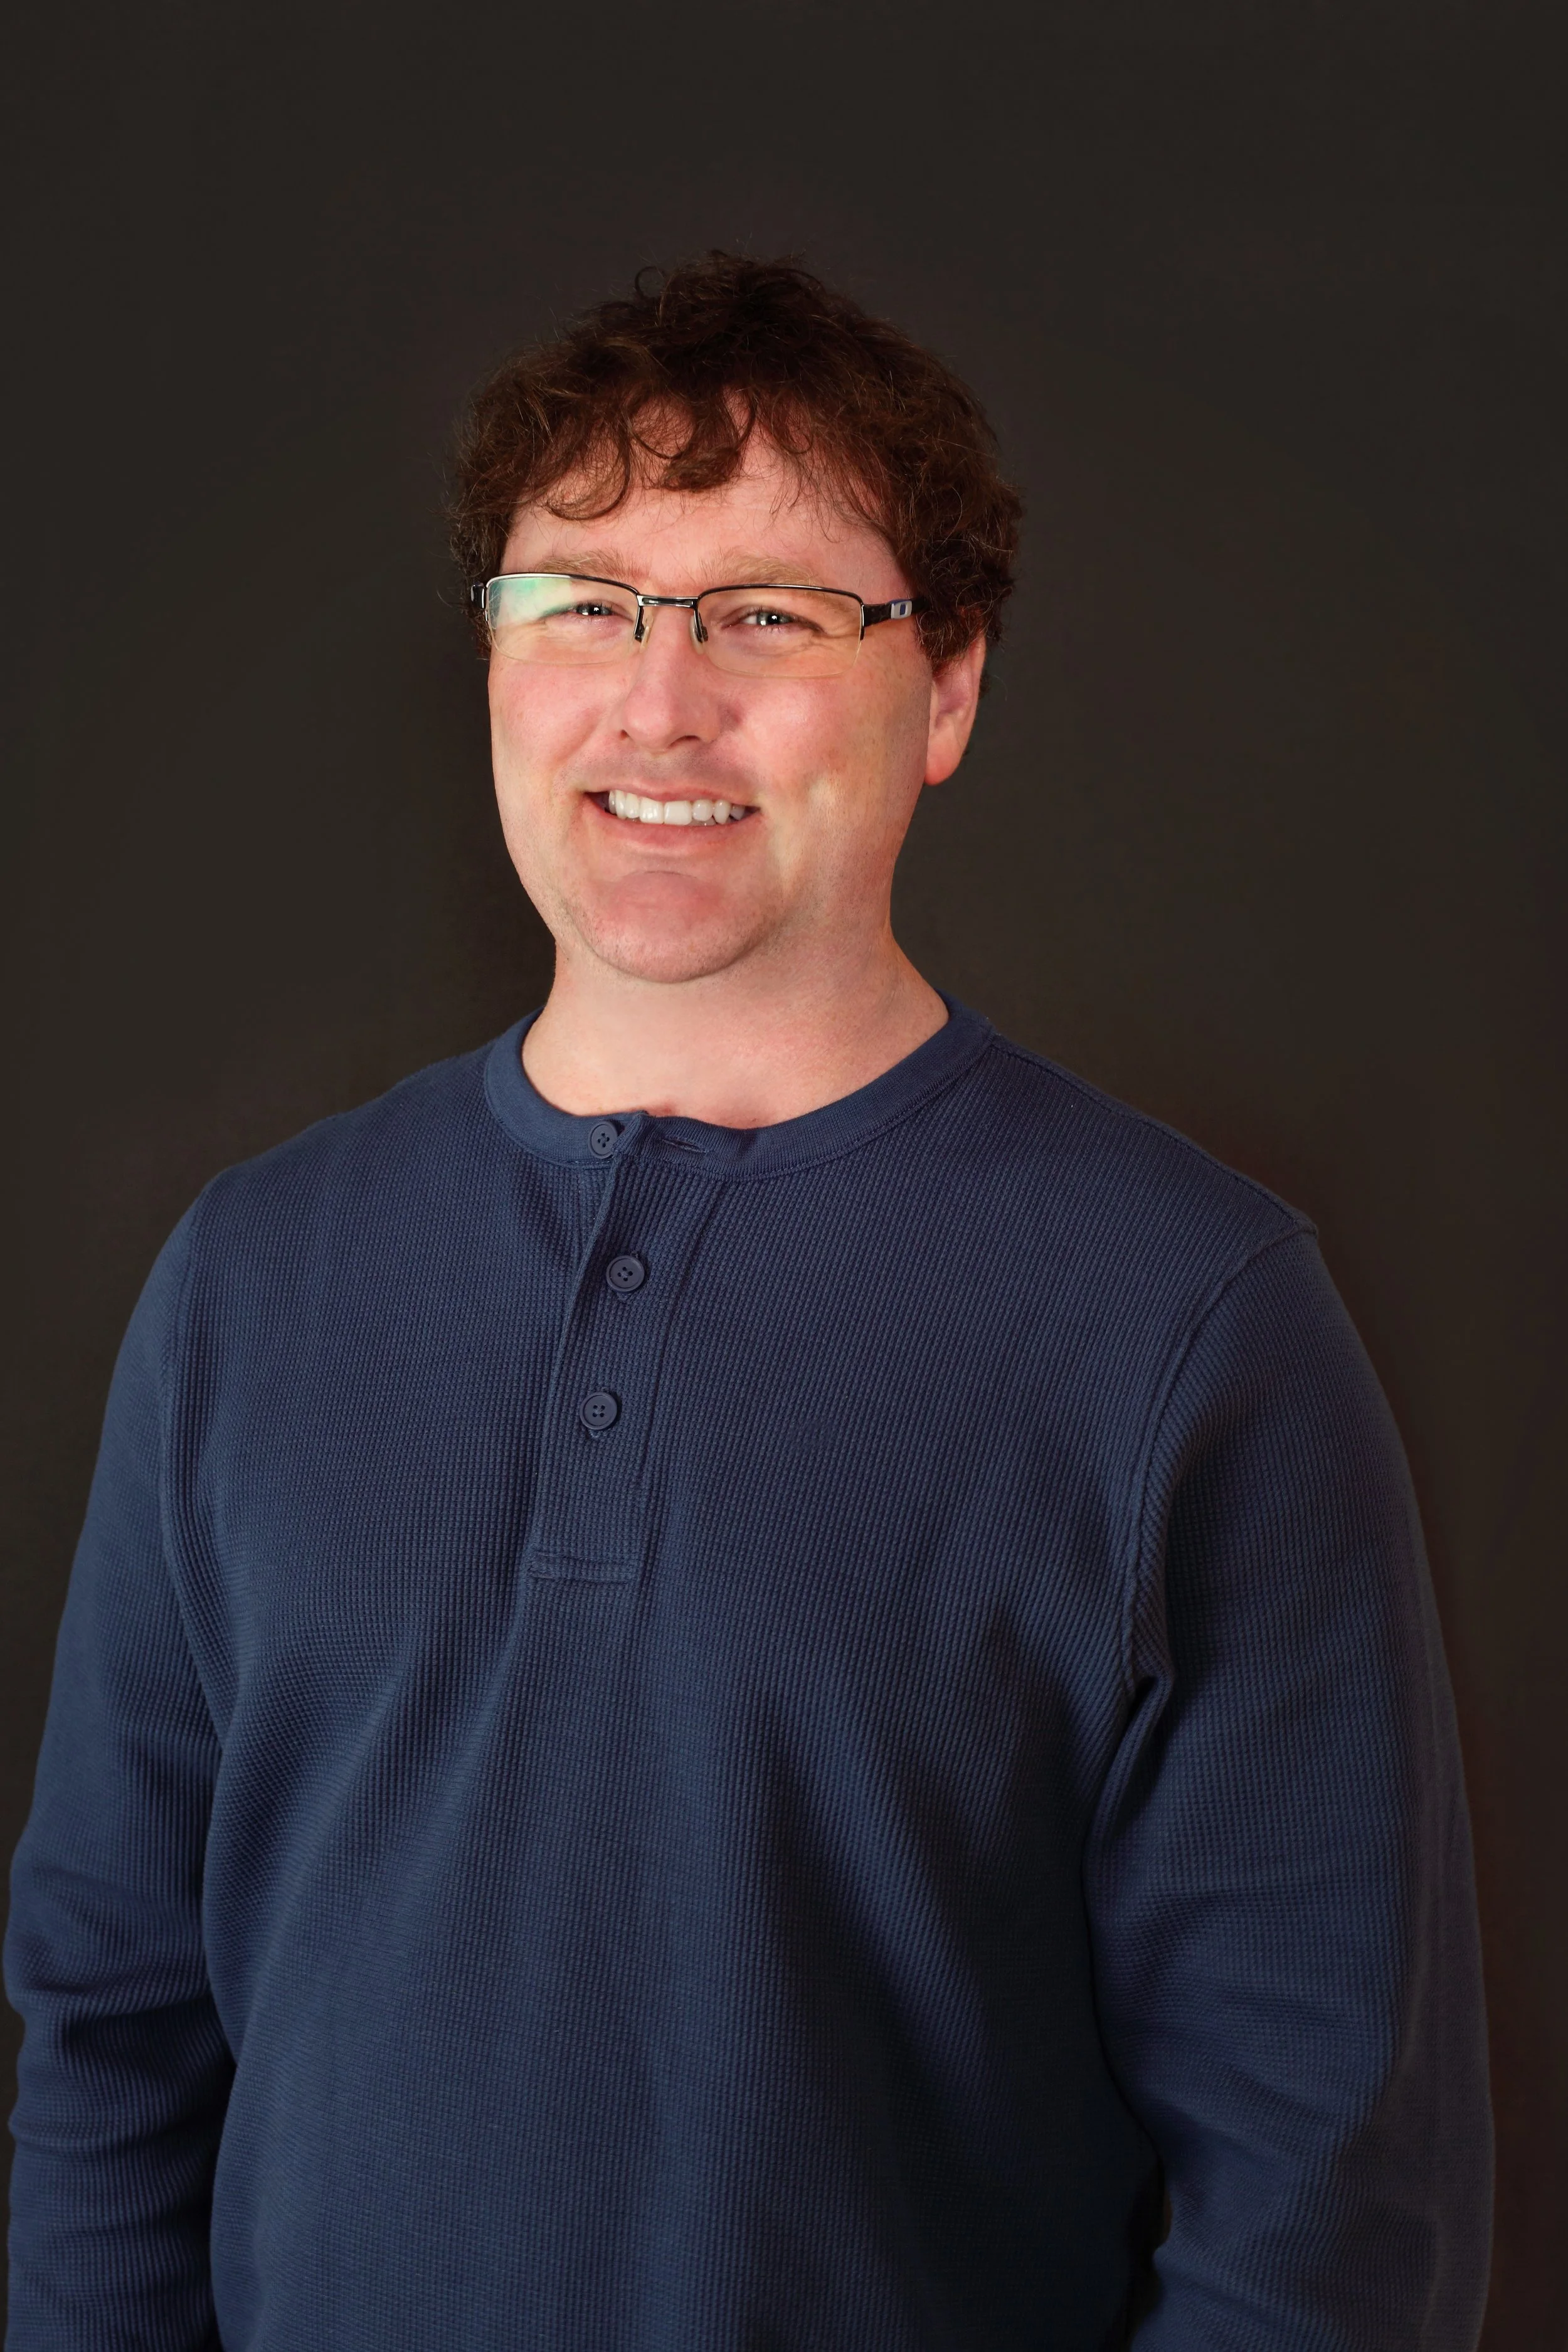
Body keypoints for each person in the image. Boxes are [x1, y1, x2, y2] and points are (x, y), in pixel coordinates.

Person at [6, 253, 1491, 2351]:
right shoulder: (257, 1273)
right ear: (495, 663)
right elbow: (109, 2044)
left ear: (947, 681)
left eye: (769, 616)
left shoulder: (1192, 1317)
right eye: (581, 604)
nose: (656, 701)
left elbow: (1328, 2194)